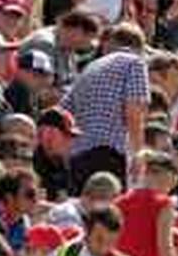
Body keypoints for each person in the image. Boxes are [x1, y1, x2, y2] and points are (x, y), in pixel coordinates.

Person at [62, 23, 150, 189]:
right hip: (108, 153)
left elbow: (64, 111)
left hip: (77, 156)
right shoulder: (135, 62)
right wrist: (138, 152)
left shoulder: (89, 68)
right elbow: (134, 110)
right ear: (140, 47)